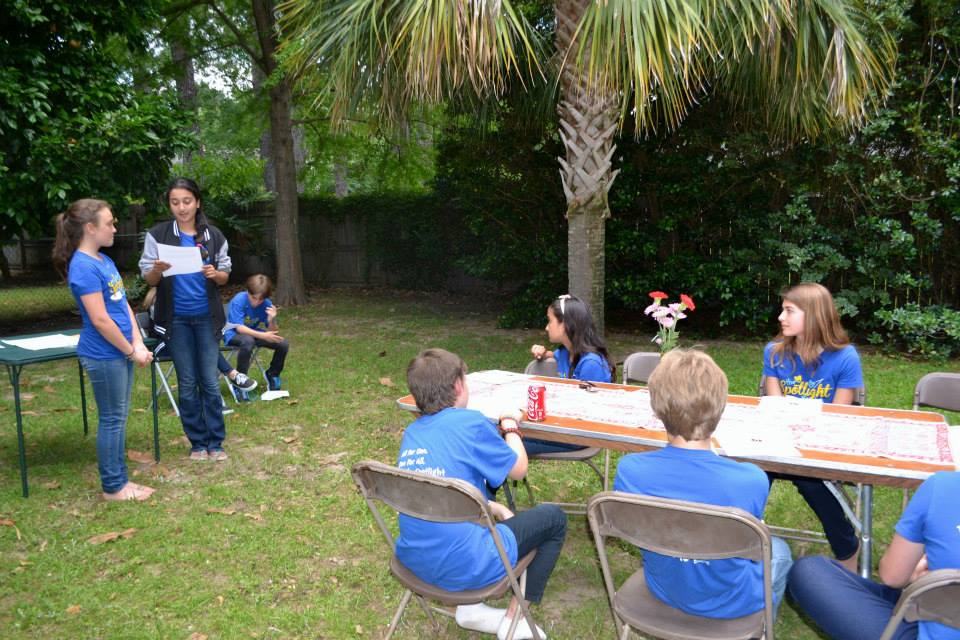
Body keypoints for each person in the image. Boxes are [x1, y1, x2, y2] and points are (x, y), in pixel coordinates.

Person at [397, 348, 567, 640]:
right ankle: (514, 620)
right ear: (458, 386)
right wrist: (510, 425)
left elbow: (441, 488)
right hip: (468, 566)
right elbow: (519, 470)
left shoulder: (413, 434)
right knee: (554, 518)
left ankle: (470, 609)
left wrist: (492, 506)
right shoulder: (472, 423)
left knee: (485, 500)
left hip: (415, 560)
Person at [614, 349, 793, 620]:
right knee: (780, 551)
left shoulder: (630, 471)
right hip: (732, 600)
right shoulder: (751, 479)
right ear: (720, 408)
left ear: (657, 409)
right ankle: (762, 625)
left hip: (665, 588)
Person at [53, 199, 155, 501]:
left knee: (118, 417)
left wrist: (137, 341)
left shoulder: (104, 261)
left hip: (120, 351)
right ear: (90, 228)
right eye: (109, 223)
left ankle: (121, 480)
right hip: (104, 355)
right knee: (112, 419)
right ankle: (114, 486)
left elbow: (123, 306)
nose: (114, 228)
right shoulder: (83, 267)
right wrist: (130, 351)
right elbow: (99, 320)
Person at [762, 282, 863, 571]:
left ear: (814, 316)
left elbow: (836, 417)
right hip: (780, 441)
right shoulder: (774, 352)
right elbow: (774, 406)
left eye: (789, 311)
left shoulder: (845, 357)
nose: (781, 317)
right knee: (750, 473)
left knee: (812, 482)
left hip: (821, 444)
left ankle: (848, 551)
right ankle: (739, 538)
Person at [788, 471, 960, 640]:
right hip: (940, 608)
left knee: (808, 571)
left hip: (932, 622)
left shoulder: (944, 486)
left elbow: (892, 577)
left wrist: (924, 574)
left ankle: (847, 550)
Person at [139, 177, 232, 461]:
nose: (182, 208)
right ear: (169, 205)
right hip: (175, 320)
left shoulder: (213, 236)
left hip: (206, 319)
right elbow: (149, 278)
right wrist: (157, 270)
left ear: (197, 202)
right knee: (188, 382)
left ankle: (216, 443)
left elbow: (225, 275)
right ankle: (197, 443)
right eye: (175, 202)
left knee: (210, 381)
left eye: (187, 201)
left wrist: (215, 274)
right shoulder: (158, 235)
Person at [527, 294, 615, 455]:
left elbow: (589, 415)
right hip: (564, 427)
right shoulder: (566, 353)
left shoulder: (591, 364)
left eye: (550, 321)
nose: (546, 327)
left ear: (565, 324)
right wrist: (543, 352)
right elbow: (553, 355)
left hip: (580, 435)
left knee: (508, 440)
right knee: (502, 434)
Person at [217, 274, 288, 396]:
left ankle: (273, 374)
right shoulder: (239, 300)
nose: (256, 302)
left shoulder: (266, 304)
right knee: (248, 341)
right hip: (231, 333)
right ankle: (240, 381)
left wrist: (271, 320)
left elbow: (273, 332)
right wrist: (263, 336)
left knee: (283, 343)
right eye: (254, 298)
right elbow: (239, 328)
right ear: (248, 292)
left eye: (260, 299)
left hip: (252, 334)